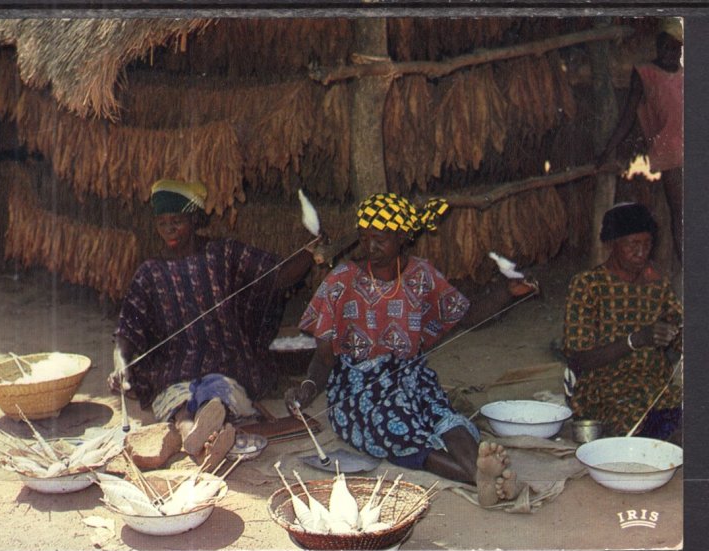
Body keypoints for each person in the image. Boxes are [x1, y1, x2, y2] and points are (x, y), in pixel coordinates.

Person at [285, 192, 539, 506]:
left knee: (443, 415)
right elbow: (324, 356)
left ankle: (485, 475)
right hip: (359, 389)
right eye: (365, 239)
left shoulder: (421, 275)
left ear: (402, 237)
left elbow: (467, 315)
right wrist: (308, 388)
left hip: (412, 377)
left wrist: (507, 292)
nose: (370, 248)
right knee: (396, 428)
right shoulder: (342, 280)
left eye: (380, 240)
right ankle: (482, 478)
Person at [108, 178, 321, 467]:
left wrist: (311, 253)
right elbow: (127, 328)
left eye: (177, 220)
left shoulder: (223, 254)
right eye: (162, 223)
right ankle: (197, 435)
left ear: (194, 219)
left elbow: (277, 276)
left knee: (217, 391)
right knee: (180, 400)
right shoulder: (150, 272)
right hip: (174, 367)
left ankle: (203, 429)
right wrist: (121, 364)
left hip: (226, 360)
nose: (169, 229)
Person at [562, 202, 682, 441]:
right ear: (611, 244)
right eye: (632, 244)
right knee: (641, 428)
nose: (642, 252)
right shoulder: (588, 285)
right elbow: (578, 358)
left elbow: (679, 331)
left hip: (656, 386)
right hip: (605, 388)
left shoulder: (657, 284)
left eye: (647, 243)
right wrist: (635, 340)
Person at [597, 18, 683, 261]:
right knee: (681, 214)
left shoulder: (685, 75)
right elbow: (627, 117)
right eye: (667, 46)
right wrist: (609, 149)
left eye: (676, 48)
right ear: (658, 45)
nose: (671, 53)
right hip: (671, 154)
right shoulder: (645, 73)